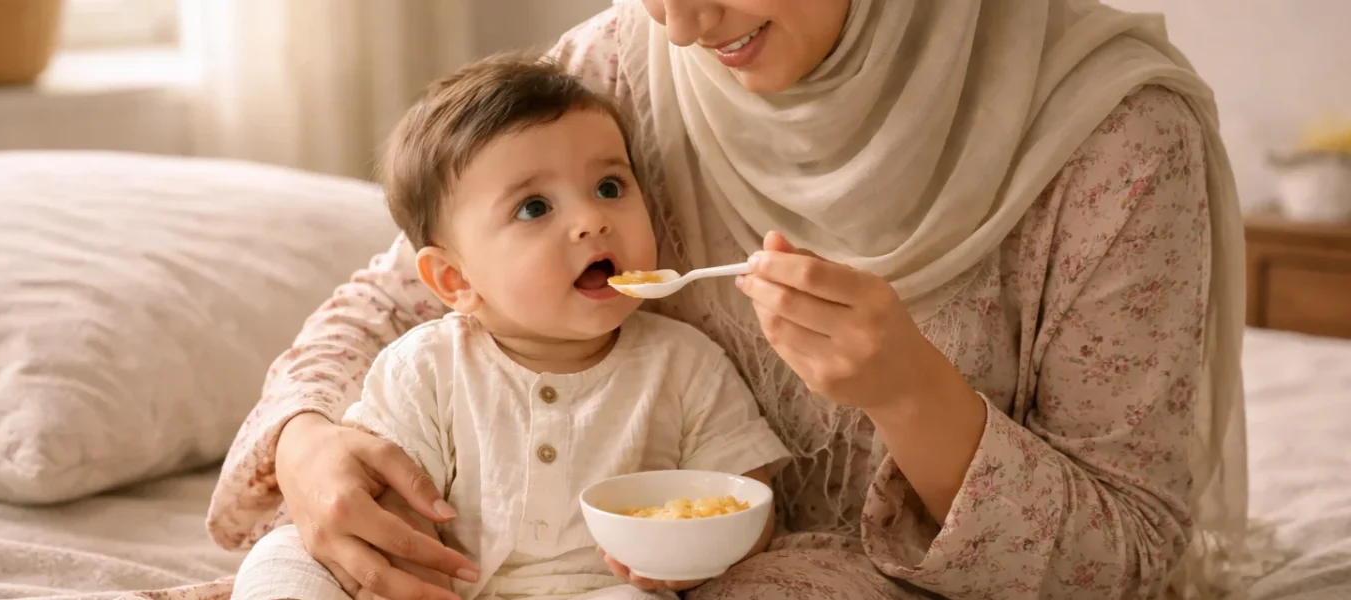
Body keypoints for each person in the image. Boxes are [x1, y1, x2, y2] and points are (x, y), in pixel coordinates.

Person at [191, 1, 1252, 599]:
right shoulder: (626, 63)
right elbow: (396, 302)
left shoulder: (1112, 134)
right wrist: (307, 444)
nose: (683, 23)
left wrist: (913, 395)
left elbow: (1127, 558)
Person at [226, 55, 791, 600]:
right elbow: (385, 499)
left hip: (603, 589)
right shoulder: (426, 366)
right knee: (282, 556)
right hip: (438, 585)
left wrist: (691, 558)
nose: (592, 220)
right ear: (453, 280)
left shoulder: (685, 363)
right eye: (534, 207)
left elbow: (745, 501)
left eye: (611, 188)